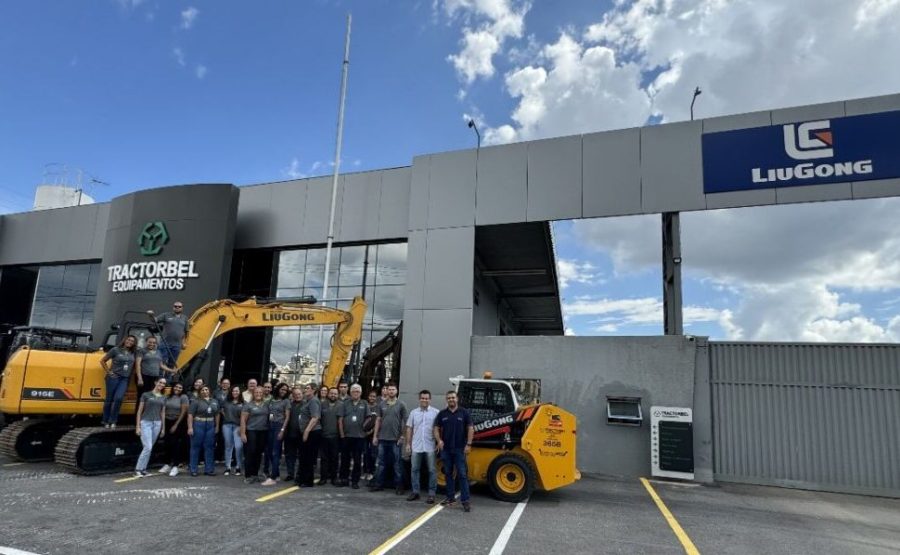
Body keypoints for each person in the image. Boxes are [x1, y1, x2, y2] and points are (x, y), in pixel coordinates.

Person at [434, 390, 474, 512]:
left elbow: (471, 428)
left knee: (462, 475)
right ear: (447, 400)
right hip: (446, 450)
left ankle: (465, 500)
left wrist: (468, 444)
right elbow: (436, 428)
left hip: (460, 449)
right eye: (449, 398)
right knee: (448, 474)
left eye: (453, 397)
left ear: (457, 399)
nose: (451, 399)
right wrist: (439, 440)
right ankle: (450, 497)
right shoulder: (442, 414)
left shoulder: (464, 413)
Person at [371, 382, 408, 494]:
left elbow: (407, 422)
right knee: (381, 463)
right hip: (382, 439)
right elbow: (378, 420)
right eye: (389, 389)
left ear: (397, 391)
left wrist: (402, 436)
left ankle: (399, 486)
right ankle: (378, 484)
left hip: (395, 440)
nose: (391, 391)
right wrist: (375, 436)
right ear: (386, 391)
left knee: (397, 464)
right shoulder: (381, 404)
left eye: (393, 389)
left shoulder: (401, 404)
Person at [405, 389, 439, 503]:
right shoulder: (413, 413)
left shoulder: (436, 412)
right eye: (422, 398)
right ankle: (415, 492)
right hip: (416, 445)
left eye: (426, 398)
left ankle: (431, 494)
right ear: (419, 399)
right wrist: (408, 444)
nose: (424, 400)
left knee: (432, 470)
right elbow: (409, 428)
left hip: (430, 446)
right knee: (414, 469)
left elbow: (439, 429)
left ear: (430, 399)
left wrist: (439, 441)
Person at [100, 335, 138, 428]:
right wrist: (109, 372)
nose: (130, 342)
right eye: (128, 339)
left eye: (132, 341)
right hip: (113, 377)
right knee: (109, 399)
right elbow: (102, 361)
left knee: (119, 398)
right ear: (125, 340)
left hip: (124, 379)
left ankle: (113, 420)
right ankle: (105, 421)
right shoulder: (115, 350)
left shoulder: (133, 353)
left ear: (134, 343)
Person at [134, 377, 167, 477]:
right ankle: (138, 469)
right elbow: (139, 411)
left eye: (164, 383)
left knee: (149, 447)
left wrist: (163, 428)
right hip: (146, 422)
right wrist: (138, 426)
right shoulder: (146, 395)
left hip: (157, 423)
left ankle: (143, 469)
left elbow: (163, 413)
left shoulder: (163, 397)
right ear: (155, 382)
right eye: (160, 382)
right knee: (147, 447)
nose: (161, 384)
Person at [338, 383, 368, 489]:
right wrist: (342, 434)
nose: (356, 393)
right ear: (350, 392)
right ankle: (344, 479)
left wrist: (366, 432)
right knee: (345, 459)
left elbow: (369, 419)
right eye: (354, 391)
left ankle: (355, 481)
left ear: (361, 393)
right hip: (346, 436)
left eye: (358, 391)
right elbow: (340, 419)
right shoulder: (345, 403)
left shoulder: (364, 403)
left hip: (359, 437)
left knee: (357, 460)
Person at [188, 385, 220, 477]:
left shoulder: (214, 401)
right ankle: (193, 469)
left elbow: (217, 414)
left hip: (210, 425)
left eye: (206, 389)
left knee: (209, 447)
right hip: (198, 424)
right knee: (195, 447)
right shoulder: (195, 402)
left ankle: (209, 469)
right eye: (202, 390)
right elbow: (190, 415)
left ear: (209, 391)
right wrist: (190, 427)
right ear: (200, 392)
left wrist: (217, 426)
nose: (205, 391)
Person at [147, 300, 190, 369]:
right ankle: (160, 378)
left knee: (172, 364)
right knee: (161, 361)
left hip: (177, 345)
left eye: (179, 306)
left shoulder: (185, 318)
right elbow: (154, 320)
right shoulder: (166, 315)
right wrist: (150, 315)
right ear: (173, 307)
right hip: (165, 343)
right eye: (175, 306)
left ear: (182, 308)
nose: (177, 308)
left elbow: (186, 332)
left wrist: (185, 343)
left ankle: (168, 379)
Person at [240, 387, 270, 484]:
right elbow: (243, 420)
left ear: (263, 394)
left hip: (263, 431)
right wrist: (243, 433)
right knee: (250, 452)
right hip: (251, 431)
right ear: (253, 393)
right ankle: (248, 475)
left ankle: (255, 474)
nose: (258, 394)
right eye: (256, 392)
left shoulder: (266, 405)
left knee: (258, 453)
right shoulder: (248, 405)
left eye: (260, 392)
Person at [296, 383, 322, 488]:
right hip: (306, 431)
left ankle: (307, 481)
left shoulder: (314, 401)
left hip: (312, 432)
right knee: (303, 456)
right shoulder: (307, 401)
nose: (305, 390)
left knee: (308, 457)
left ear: (314, 390)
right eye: (305, 388)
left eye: (308, 388)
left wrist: (306, 431)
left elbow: (315, 417)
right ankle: (303, 479)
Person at [160, 382, 189, 477]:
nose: (178, 388)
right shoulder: (168, 397)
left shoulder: (184, 397)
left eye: (180, 387)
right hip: (167, 421)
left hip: (177, 421)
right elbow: (163, 410)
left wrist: (176, 425)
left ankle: (175, 466)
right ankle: (167, 464)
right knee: (167, 443)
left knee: (176, 444)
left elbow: (183, 412)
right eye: (176, 387)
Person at [264, 383, 290, 482]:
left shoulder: (286, 401)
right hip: (270, 425)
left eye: (285, 390)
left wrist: (282, 430)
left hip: (279, 426)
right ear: (278, 389)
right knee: (269, 450)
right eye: (282, 389)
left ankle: (274, 475)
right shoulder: (272, 399)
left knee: (275, 452)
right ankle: (276, 472)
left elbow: (287, 417)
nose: (283, 391)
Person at [319, 387, 341, 486]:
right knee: (324, 459)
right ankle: (323, 478)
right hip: (323, 436)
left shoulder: (341, 405)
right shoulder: (322, 404)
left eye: (335, 394)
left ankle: (334, 478)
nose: (333, 395)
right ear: (328, 394)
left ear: (338, 395)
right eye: (331, 393)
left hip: (336, 437)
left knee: (334, 458)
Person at [221, 385, 244, 477]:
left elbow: (245, 416)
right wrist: (226, 416)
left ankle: (238, 466)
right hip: (227, 425)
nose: (235, 392)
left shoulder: (243, 403)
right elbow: (221, 410)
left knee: (238, 447)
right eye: (233, 391)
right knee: (228, 446)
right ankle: (228, 467)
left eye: (237, 391)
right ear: (231, 392)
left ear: (240, 392)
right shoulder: (226, 402)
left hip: (238, 426)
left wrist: (242, 428)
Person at [282, 386, 304, 482]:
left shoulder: (307, 404)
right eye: (295, 394)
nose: (297, 396)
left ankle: (299, 474)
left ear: (302, 394)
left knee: (302, 456)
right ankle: (290, 473)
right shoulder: (289, 405)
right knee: (289, 455)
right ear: (293, 396)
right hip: (290, 434)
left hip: (302, 434)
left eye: (299, 394)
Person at [363, 390, 379, 480]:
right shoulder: (365, 406)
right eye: (370, 396)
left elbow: (378, 421)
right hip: (364, 434)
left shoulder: (378, 407)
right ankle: (365, 471)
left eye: (374, 396)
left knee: (373, 453)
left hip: (373, 434)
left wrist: (372, 431)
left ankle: (371, 471)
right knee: (365, 453)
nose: (372, 398)